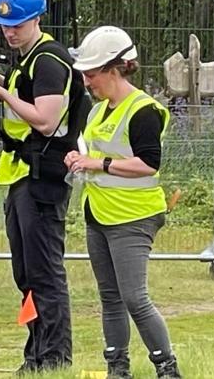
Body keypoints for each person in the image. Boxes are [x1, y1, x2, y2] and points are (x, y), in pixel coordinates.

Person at [64, 26, 183, 379]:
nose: (87, 81)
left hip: (134, 216)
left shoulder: (144, 110)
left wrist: (97, 164)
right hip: (99, 213)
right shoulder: (98, 111)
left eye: (91, 73)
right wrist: (78, 158)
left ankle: (167, 367)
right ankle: (117, 368)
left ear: (114, 69)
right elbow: (95, 154)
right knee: (110, 298)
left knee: (135, 297)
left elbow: (148, 162)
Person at [0, 0, 89, 373]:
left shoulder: (49, 59)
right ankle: (35, 354)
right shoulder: (27, 61)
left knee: (44, 271)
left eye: (18, 24)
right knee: (26, 272)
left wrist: (4, 94)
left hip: (43, 178)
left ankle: (55, 357)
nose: (10, 31)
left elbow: (45, 121)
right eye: (5, 24)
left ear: (38, 19)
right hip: (21, 176)